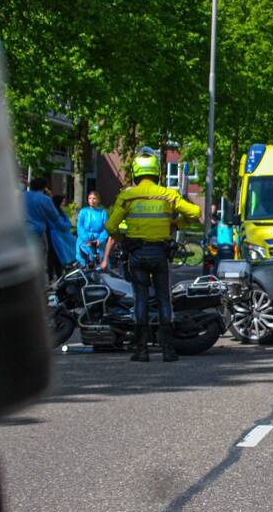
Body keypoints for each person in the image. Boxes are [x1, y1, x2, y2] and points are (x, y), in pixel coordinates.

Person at [106, 155, 201, 363]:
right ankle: (168, 350)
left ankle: (141, 350)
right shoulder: (167, 194)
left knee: (141, 299)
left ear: (135, 173)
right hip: (159, 254)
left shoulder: (127, 196)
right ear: (156, 172)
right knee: (163, 299)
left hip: (137, 254)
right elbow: (195, 211)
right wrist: (176, 224)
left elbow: (111, 227)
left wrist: (125, 240)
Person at [23, 178, 76, 280]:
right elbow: (55, 217)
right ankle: (38, 279)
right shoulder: (44, 199)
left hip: (21, 230)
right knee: (41, 254)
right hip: (37, 231)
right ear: (44, 187)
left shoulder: (21, 196)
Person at [76, 190, 109, 266]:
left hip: (98, 243)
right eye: (90, 198)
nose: (92, 200)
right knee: (85, 262)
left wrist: (100, 240)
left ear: (98, 200)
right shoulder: (83, 212)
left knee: (99, 264)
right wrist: (86, 240)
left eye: (94, 198)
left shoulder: (102, 212)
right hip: (84, 242)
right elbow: (80, 226)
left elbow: (106, 228)